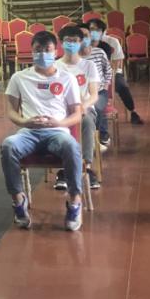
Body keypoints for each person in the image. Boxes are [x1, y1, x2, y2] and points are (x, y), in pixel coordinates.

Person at [0, 30, 84, 231]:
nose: (42, 54)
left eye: (47, 50)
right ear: (32, 51)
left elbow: (77, 114)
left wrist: (59, 123)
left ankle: (74, 201)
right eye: (38, 50)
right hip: (29, 132)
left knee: (72, 147)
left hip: (57, 132)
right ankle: (18, 200)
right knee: (8, 146)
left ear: (55, 51)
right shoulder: (19, 78)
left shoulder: (67, 78)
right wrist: (25, 122)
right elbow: (11, 111)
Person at [57, 25, 102, 191]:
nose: (71, 44)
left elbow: (94, 95)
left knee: (87, 122)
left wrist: (83, 106)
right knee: (57, 125)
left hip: (85, 108)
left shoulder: (89, 66)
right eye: (68, 41)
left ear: (81, 42)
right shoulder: (55, 66)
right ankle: (64, 169)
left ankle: (86, 167)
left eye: (75, 41)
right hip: (62, 110)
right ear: (61, 43)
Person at [89, 18, 143, 125]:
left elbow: (116, 62)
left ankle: (133, 111)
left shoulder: (112, 42)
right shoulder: (85, 43)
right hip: (91, 74)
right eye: (91, 29)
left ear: (103, 31)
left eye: (97, 29)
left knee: (121, 86)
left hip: (112, 72)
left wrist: (106, 76)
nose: (94, 32)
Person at [79, 25, 112, 149]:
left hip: (99, 91)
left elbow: (108, 71)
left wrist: (105, 87)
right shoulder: (73, 57)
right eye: (80, 36)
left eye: (86, 36)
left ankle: (99, 135)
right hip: (81, 93)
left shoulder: (99, 52)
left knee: (96, 106)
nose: (83, 39)